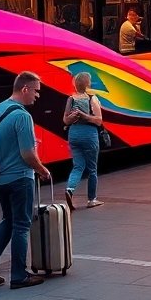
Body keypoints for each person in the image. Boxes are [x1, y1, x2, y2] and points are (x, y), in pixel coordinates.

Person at [0, 71, 51, 290]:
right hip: (20, 178)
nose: (37, 96)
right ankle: (19, 275)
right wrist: (42, 169)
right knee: (21, 225)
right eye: (36, 91)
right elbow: (28, 153)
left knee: (8, 220)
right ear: (25, 89)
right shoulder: (22, 116)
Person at [62, 72, 103, 210]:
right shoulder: (92, 98)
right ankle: (92, 199)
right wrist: (85, 116)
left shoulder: (70, 99)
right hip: (88, 135)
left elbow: (65, 120)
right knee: (92, 169)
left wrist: (74, 117)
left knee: (78, 166)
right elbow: (98, 120)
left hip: (74, 135)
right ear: (87, 84)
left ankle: (70, 189)